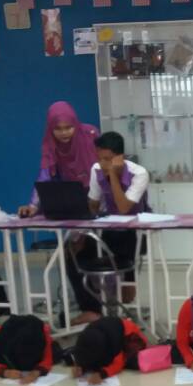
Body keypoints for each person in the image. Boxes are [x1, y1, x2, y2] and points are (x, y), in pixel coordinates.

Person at [67, 131, 151, 325]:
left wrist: (112, 175)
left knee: (126, 287)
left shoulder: (139, 173)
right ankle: (91, 308)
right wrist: (87, 202)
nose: (103, 164)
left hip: (133, 233)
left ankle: (123, 289)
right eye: (100, 158)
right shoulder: (96, 169)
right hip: (107, 231)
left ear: (120, 157)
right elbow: (94, 205)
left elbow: (123, 208)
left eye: (108, 159)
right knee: (71, 253)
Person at [17, 101, 100, 219]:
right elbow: (44, 177)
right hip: (74, 201)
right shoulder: (50, 145)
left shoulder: (90, 134)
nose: (64, 133)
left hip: (101, 195)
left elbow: (105, 165)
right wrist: (32, 206)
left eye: (68, 127)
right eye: (58, 128)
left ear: (75, 124)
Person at [71, 317, 147, 385]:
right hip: (106, 334)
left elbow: (118, 365)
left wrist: (102, 375)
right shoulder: (83, 339)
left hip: (127, 332)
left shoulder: (115, 342)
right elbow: (84, 354)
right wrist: (80, 366)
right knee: (96, 363)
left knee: (134, 361)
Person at [0, 315, 54, 384]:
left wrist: (37, 372)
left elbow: (48, 357)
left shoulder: (41, 333)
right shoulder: (0, 337)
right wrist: (5, 372)